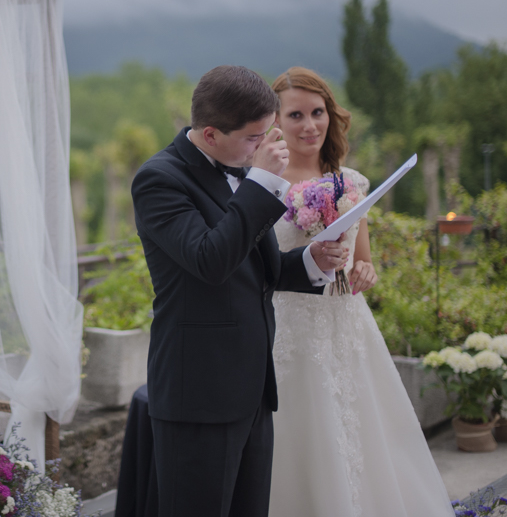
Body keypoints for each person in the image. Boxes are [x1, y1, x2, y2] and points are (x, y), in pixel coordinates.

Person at [131, 65, 348, 517]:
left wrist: (312, 261)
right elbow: (210, 260)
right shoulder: (160, 179)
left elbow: (254, 270)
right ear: (211, 134)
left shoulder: (239, 169)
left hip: (252, 389)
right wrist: (262, 183)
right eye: (254, 137)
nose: (267, 146)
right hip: (199, 394)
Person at [267, 66, 454, 517]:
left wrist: (365, 272)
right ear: (275, 121)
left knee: (366, 433)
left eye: (317, 112)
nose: (309, 125)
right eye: (296, 115)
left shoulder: (349, 181)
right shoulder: (264, 182)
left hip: (347, 327)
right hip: (291, 331)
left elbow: (362, 261)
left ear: (330, 115)